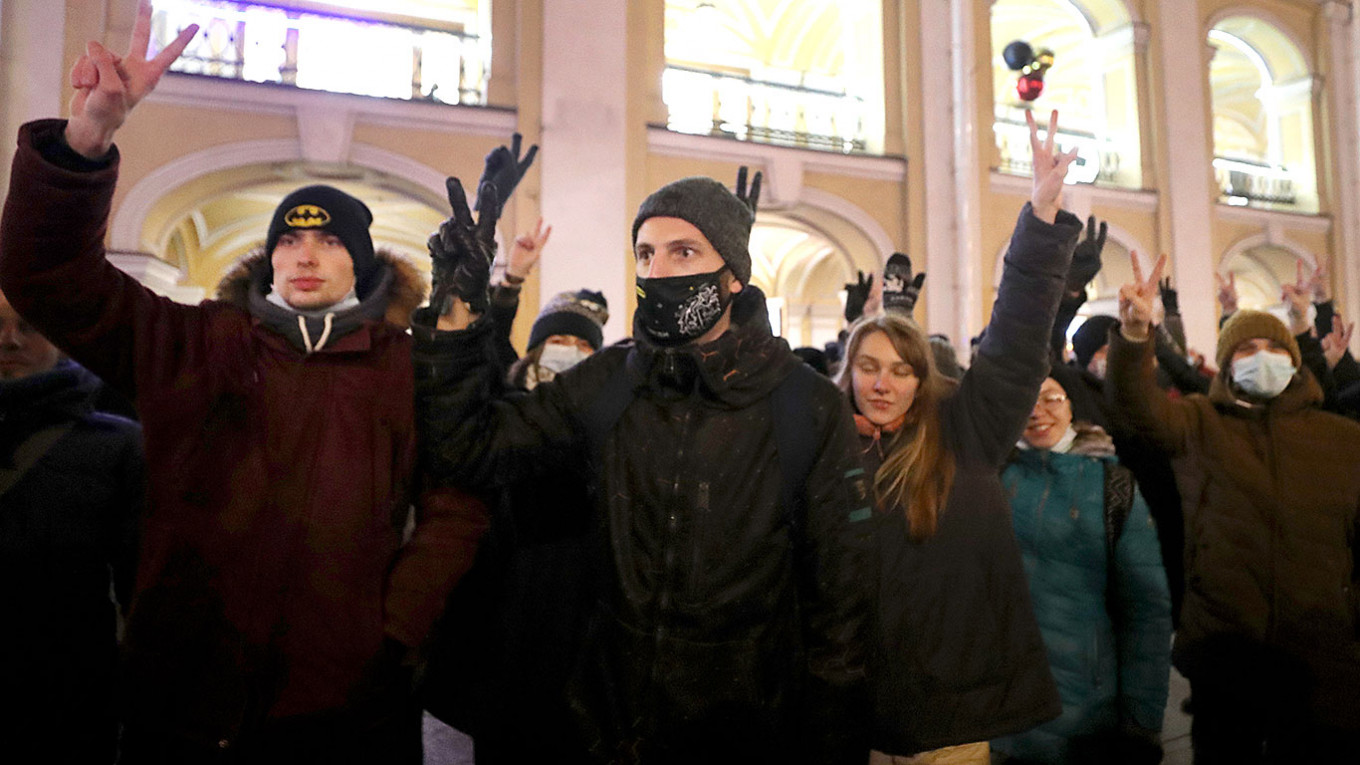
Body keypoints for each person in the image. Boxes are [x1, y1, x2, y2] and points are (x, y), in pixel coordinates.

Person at [0, 4, 489, 760]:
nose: (305, 254)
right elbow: (49, 277)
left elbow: (455, 505)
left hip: (347, 707)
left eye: (329, 241)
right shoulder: (197, 343)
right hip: (189, 703)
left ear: (359, 263)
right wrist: (87, 140)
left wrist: (392, 634)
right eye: (290, 239)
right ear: (268, 258)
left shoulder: (401, 367)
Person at [413, 165, 873, 763]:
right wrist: (458, 306)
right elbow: (468, 449)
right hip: (599, 727)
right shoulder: (609, 382)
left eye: (685, 252)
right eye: (646, 254)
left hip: (745, 733)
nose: (659, 272)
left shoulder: (805, 405)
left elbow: (841, 601)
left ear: (732, 276)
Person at [840, 109, 1078, 764]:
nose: (883, 384)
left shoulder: (964, 435)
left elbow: (1015, 343)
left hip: (949, 716)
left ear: (924, 378)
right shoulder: (827, 447)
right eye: (869, 367)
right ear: (847, 372)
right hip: (850, 715)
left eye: (900, 369)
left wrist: (1039, 220)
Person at [1108, 254, 1360, 763]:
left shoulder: (1344, 438)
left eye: (1273, 347)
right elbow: (1138, 409)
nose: (1261, 356)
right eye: (1246, 348)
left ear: (1293, 360)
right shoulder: (1201, 422)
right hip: (1225, 654)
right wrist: (1136, 336)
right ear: (1226, 363)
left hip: (1324, 658)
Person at [992, 370, 1171, 764]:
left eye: (1052, 398)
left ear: (1073, 404)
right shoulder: (992, 476)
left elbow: (1146, 609)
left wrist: (1142, 723)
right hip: (1000, 714)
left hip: (1084, 713)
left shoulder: (1112, 484)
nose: (1037, 412)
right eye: (1026, 400)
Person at [0, 288, 143, 764]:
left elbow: (137, 581)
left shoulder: (115, 444)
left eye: (28, 327)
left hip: (63, 691)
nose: (9, 341)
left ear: (60, 340)